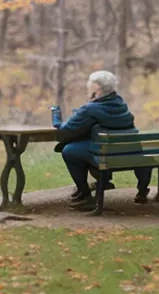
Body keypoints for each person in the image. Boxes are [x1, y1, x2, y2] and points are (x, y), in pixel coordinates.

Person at [53, 70, 151, 211]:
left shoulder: (90, 109)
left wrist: (57, 119)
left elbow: (66, 130)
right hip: (128, 153)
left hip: (105, 156)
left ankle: (86, 195)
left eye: (90, 84)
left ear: (97, 88)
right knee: (86, 146)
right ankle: (104, 183)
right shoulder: (120, 103)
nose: (87, 86)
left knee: (69, 151)